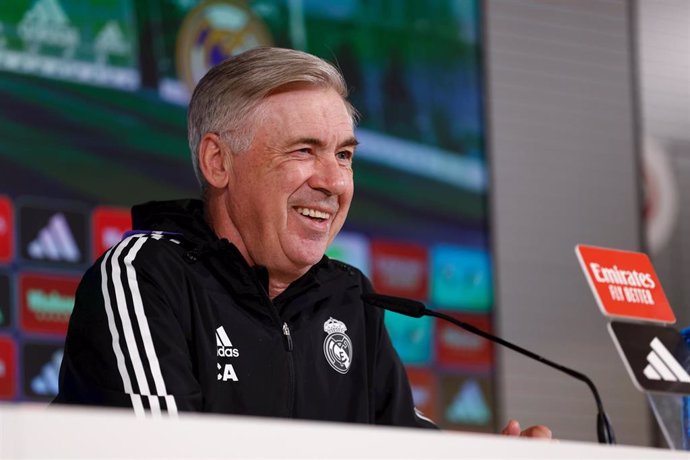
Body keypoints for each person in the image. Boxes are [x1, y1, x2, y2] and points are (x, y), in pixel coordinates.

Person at [55, 47, 551, 437]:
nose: (334, 182)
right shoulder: (144, 276)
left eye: (344, 155)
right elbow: (168, 451)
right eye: (304, 150)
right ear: (218, 162)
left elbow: (400, 442)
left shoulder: (351, 298)